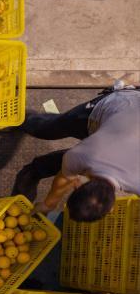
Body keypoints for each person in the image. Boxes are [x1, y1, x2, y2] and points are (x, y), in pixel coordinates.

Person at [10, 84, 138, 222]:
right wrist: (48, 205)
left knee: (73, 162)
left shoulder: (82, 156)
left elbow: (70, 172)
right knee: (47, 128)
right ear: (76, 184)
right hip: (121, 103)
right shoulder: (82, 155)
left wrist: (49, 204)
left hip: (124, 126)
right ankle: (16, 117)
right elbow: (65, 177)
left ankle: (35, 169)